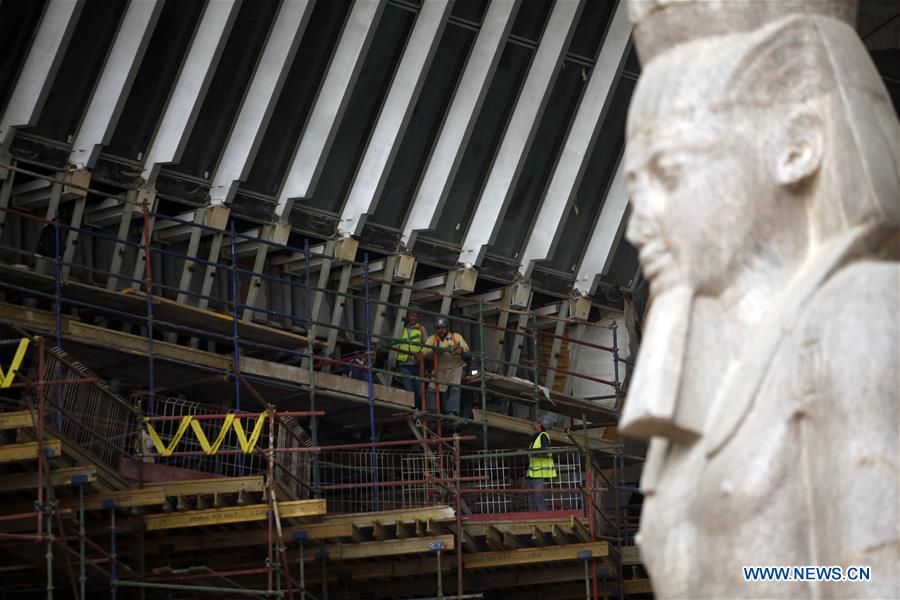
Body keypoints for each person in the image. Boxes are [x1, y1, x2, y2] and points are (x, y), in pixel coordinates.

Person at [422, 316, 469, 416]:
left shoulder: (456, 337)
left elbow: (466, 348)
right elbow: (424, 353)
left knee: (455, 387)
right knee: (431, 389)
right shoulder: (432, 339)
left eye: (443, 328)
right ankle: (432, 411)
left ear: (447, 328)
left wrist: (460, 349)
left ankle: (452, 412)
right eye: (438, 328)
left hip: (456, 367)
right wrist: (434, 351)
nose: (441, 330)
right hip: (440, 369)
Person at [394, 308, 426, 410]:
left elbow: (427, 345)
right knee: (409, 391)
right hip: (404, 364)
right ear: (408, 316)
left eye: (416, 316)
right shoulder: (401, 328)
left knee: (419, 391)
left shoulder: (421, 329)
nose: (414, 318)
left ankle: (418, 410)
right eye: (412, 315)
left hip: (417, 365)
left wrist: (420, 354)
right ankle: (414, 411)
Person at [526, 415, 556, 512]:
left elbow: (545, 451)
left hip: (540, 474)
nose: (534, 423)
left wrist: (533, 453)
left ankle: (543, 517)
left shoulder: (543, 436)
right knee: (532, 499)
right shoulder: (536, 437)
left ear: (541, 425)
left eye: (537, 422)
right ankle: (533, 519)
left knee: (539, 499)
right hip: (533, 474)